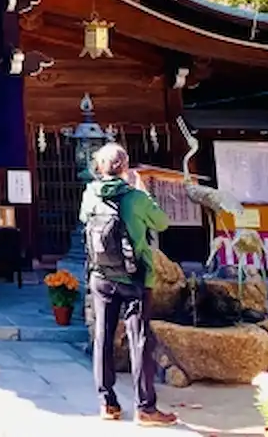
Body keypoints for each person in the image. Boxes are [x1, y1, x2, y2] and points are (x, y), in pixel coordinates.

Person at [79, 142, 177, 427]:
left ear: (99, 167)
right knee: (139, 340)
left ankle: (107, 403)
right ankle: (145, 407)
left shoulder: (90, 194)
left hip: (101, 275)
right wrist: (142, 188)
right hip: (135, 277)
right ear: (125, 167)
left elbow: (84, 220)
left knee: (103, 337)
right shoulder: (135, 197)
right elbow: (161, 223)